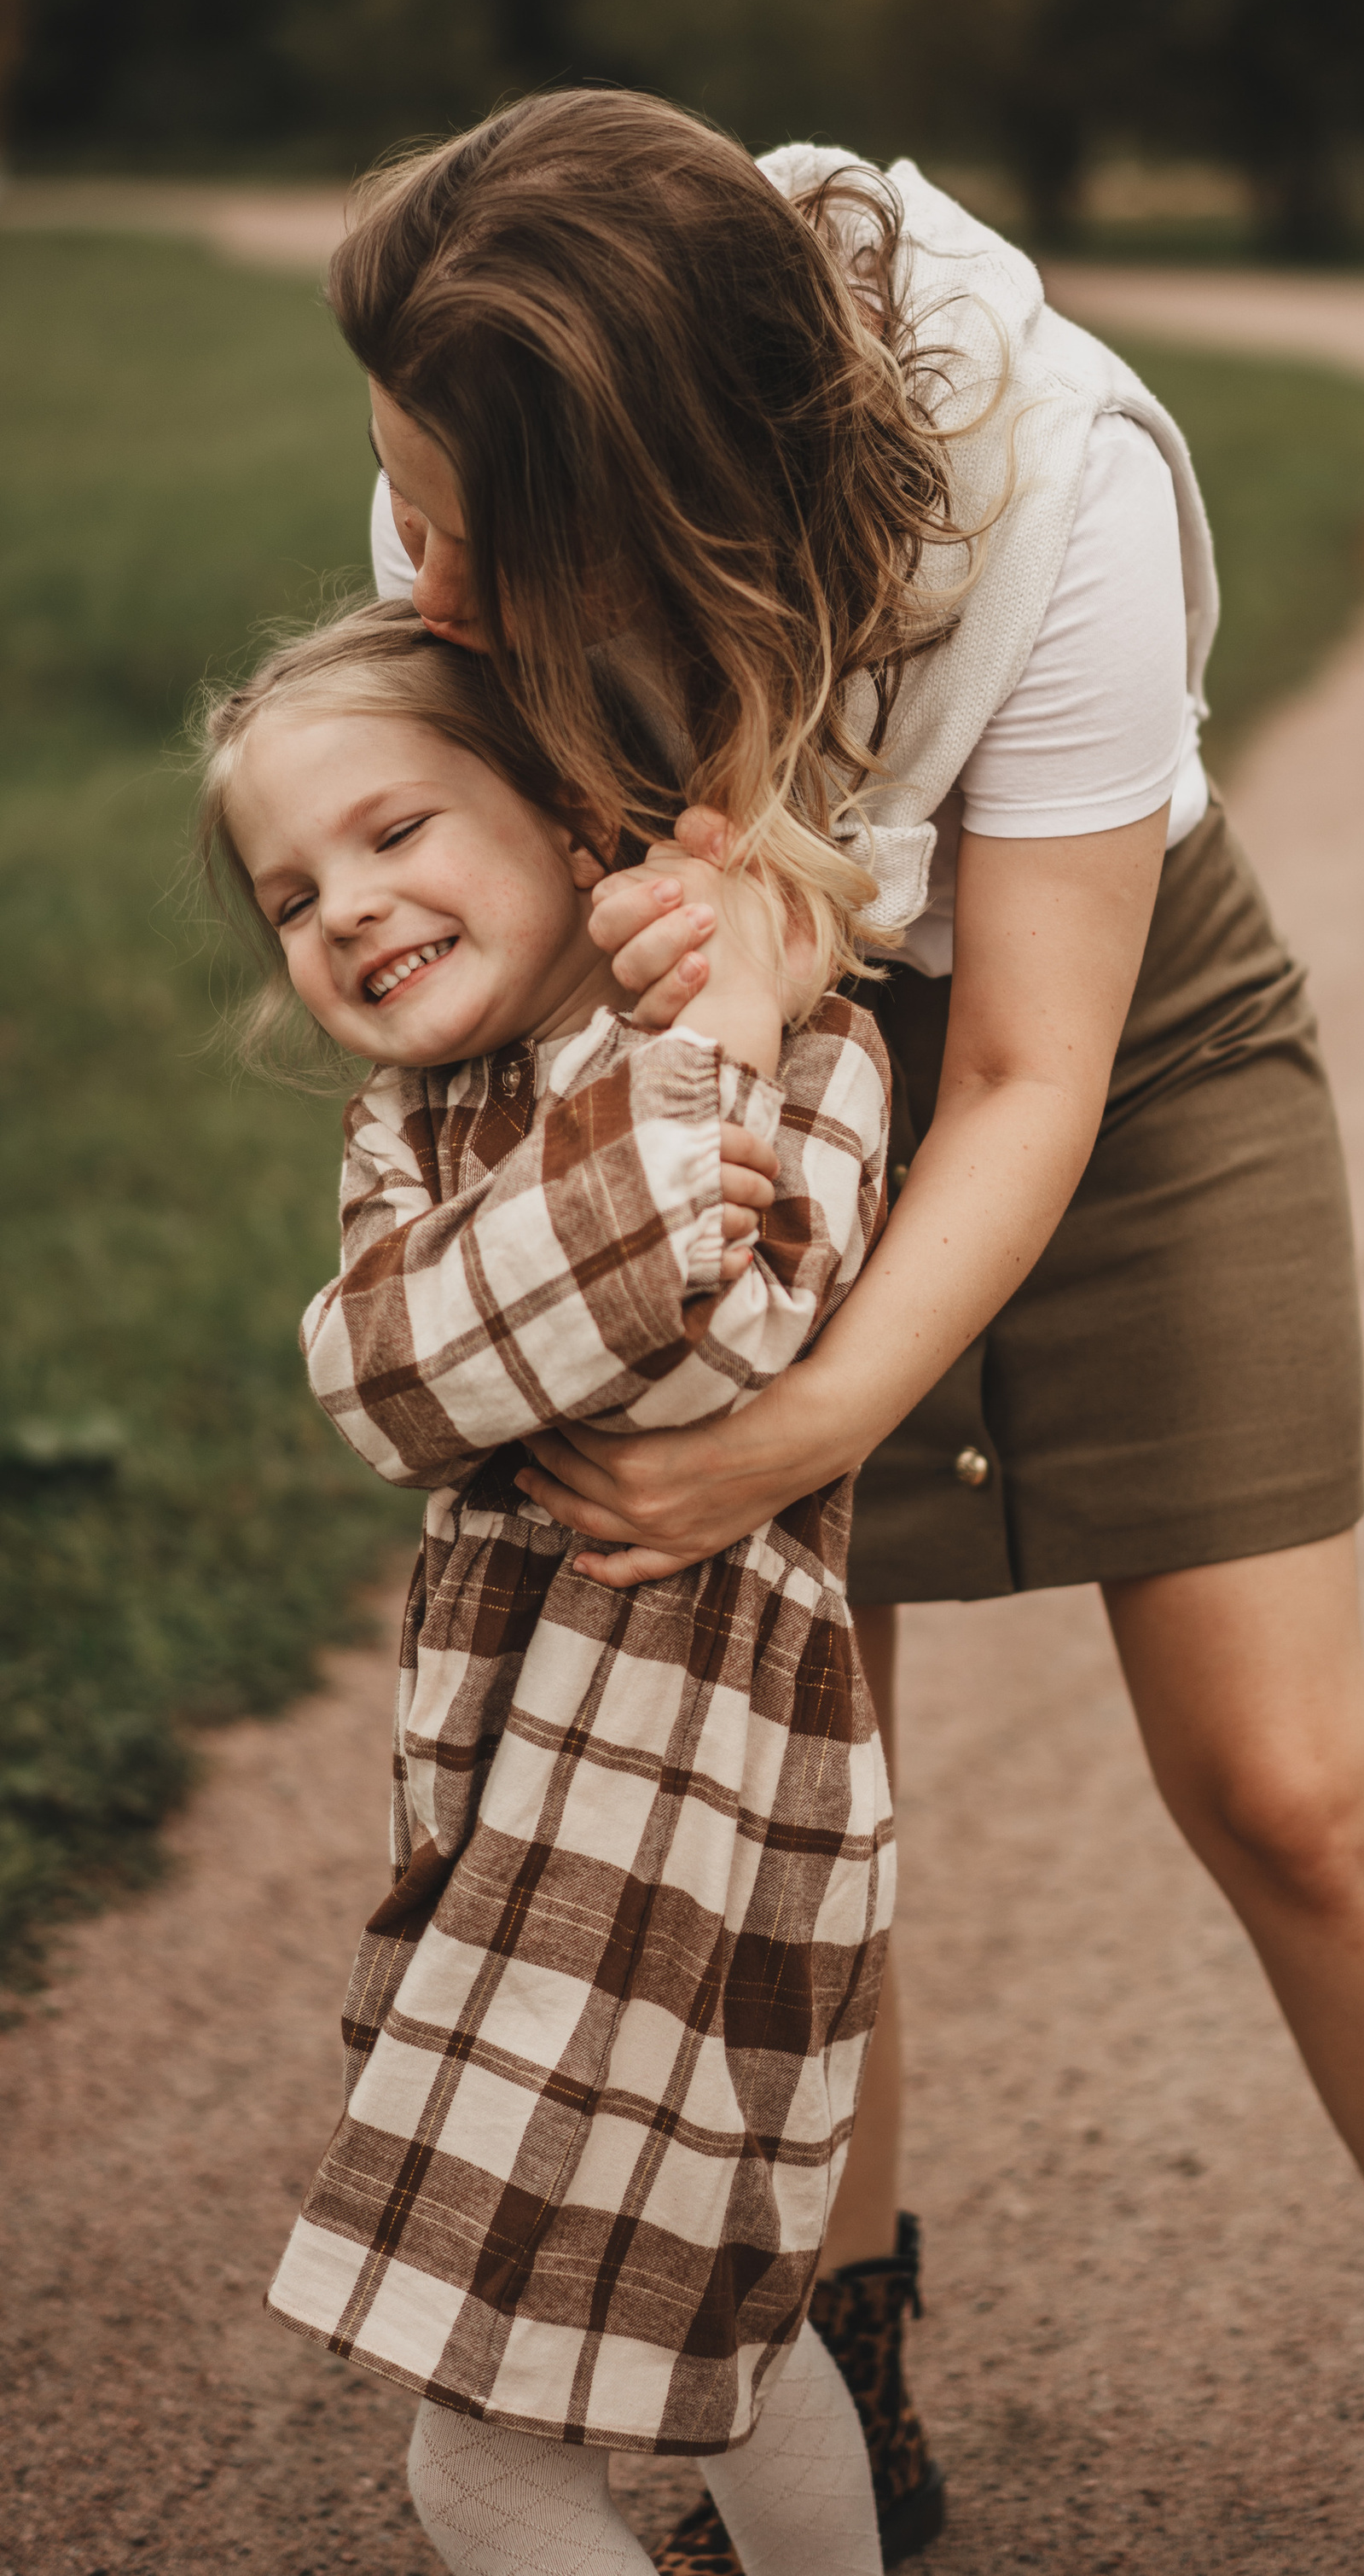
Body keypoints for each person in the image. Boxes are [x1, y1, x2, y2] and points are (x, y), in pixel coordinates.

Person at [345, 88, 1364, 2576]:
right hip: (752, 1075)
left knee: (1282, 1776)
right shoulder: (482, 495)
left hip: (1118, 1045)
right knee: (785, 1775)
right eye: (404, 507)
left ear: (666, 488)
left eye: (465, 533)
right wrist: (710, 999)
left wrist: (794, 1436)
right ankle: (850, 2419)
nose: (419, 582)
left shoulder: (1052, 478)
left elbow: (1032, 1067)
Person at [197, 599, 897, 2576]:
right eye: (292, 892)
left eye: (397, 830)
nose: (346, 906)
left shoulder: (818, 1052)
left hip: (686, 1835)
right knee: (719, 2358)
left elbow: (717, 1346)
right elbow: (380, 1378)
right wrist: (674, 1147)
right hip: (506, 1839)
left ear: (576, 821)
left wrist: (718, 1052)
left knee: (501, 2450)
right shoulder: (398, 1128)